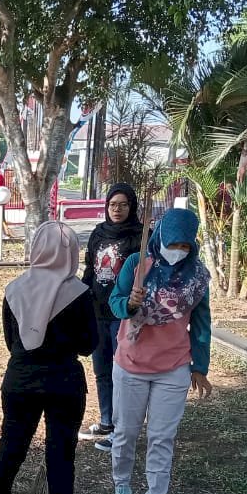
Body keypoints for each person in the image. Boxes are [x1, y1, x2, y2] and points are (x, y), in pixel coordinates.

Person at [0, 221, 98, 494]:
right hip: (64, 382)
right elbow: (89, 344)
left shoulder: (13, 289)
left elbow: (12, 342)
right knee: (61, 453)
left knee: (11, 446)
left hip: (19, 380)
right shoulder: (78, 292)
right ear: (70, 252)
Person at [108, 208, 213, 494]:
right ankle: (122, 482)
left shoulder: (196, 276)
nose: (177, 250)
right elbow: (115, 302)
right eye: (173, 242)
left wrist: (200, 366)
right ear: (161, 237)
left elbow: (201, 323)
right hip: (132, 363)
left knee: (162, 437)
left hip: (174, 367)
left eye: (184, 245)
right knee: (126, 431)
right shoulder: (137, 264)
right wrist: (131, 304)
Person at [80, 183, 144, 450]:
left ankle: (121, 430)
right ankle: (107, 421)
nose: (117, 210)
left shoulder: (141, 236)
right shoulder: (98, 233)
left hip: (123, 315)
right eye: (112, 205)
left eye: (123, 205)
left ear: (132, 207)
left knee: (122, 372)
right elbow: (89, 270)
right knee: (102, 370)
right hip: (97, 311)